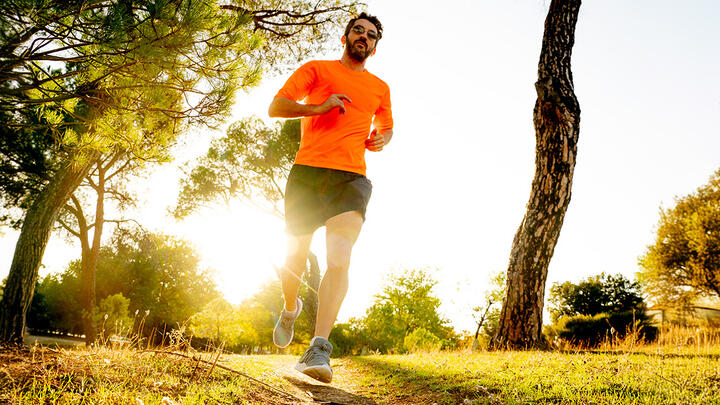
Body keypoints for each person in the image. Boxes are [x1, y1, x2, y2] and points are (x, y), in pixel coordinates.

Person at [267, 11, 393, 384]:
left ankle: (319, 346)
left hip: (350, 179)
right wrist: (318, 107)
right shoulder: (317, 70)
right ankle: (290, 307)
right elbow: (277, 107)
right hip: (307, 174)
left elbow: (385, 127)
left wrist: (382, 139)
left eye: (371, 36)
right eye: (358, 31)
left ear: (374, 46)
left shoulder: (380, 88)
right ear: (345, 37)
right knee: (295, 257)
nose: (364, 38)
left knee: (339, 258)